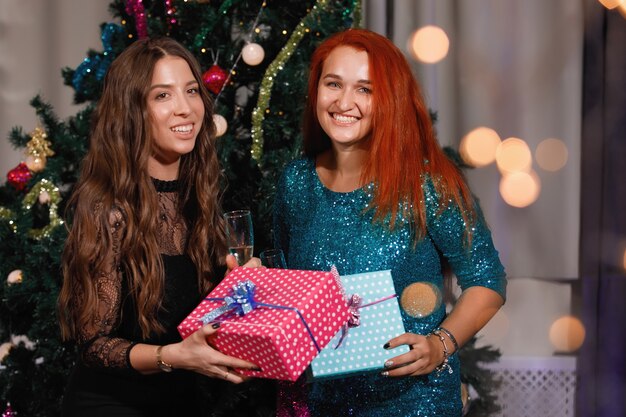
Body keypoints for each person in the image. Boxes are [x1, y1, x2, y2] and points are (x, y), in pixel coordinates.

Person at [272, 28, 507, 416]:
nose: (344, 102)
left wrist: (440, 344)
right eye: (334, 84)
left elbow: (487, 280)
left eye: (365, 89)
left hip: (413, 402)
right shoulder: (296, 182)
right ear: (317, 91)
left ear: (390, 99)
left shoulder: (428, 183)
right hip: (319, 403)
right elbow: (288, 282)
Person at [57, 37, 261, 416]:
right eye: (162, 96)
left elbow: (198, 327)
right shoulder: (110, 210)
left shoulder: (200, 199)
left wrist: (243, 294)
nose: (185, 109)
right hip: (112, 406)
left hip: (181, 405)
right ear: (134, 111)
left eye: (191, 92)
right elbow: (92, 345)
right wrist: (172, 357)